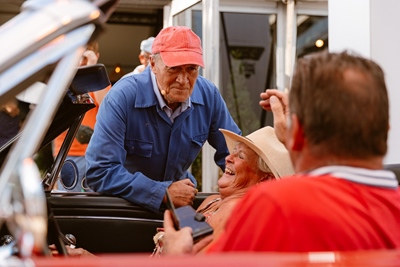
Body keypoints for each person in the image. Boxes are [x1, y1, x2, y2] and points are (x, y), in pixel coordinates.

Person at [162, 50, 400, 255]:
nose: (229, 158)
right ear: (386, 130)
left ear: (297, 135)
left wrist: (175, 259)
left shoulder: (276, 205)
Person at [85, 26, 241, 213]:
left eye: (191, 69)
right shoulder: (122, 97)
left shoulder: (208, 95)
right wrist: (162, 192)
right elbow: (100, 172)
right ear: (152, 64)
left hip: (179, 206)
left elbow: (236, 153)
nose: (183, 80)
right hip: (125, 210)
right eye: (174, 69)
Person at [152, 126, 294, 255]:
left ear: (266, 179)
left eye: (241, 156)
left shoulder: (237, 212)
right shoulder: (213, 200)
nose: (228, 158)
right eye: (233, 152)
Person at [53, 40, 110, 192]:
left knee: (93, 202)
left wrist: (92, 66)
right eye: (80, 55)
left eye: (87, 55)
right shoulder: (64, 80)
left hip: (94, 153)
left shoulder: (100, 82)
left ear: (96, 55)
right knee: (67, 201)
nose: (82, 60)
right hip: (67, 152)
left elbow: (106, 106)